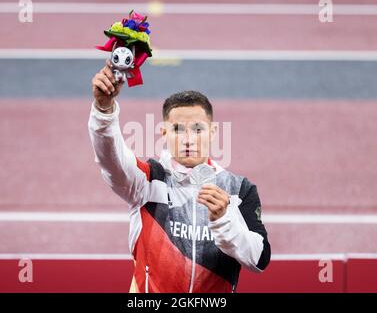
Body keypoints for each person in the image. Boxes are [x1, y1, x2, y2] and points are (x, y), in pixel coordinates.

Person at [88, 60, 271, 293]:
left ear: (213, 132)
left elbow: (259, 260)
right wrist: (104, 111)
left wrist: (224, 219)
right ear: (164, 133)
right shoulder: (147, 181)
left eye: (197, 129)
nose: (188, 139)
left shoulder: (238, 189)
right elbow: (110, 159)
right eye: (177, 129)